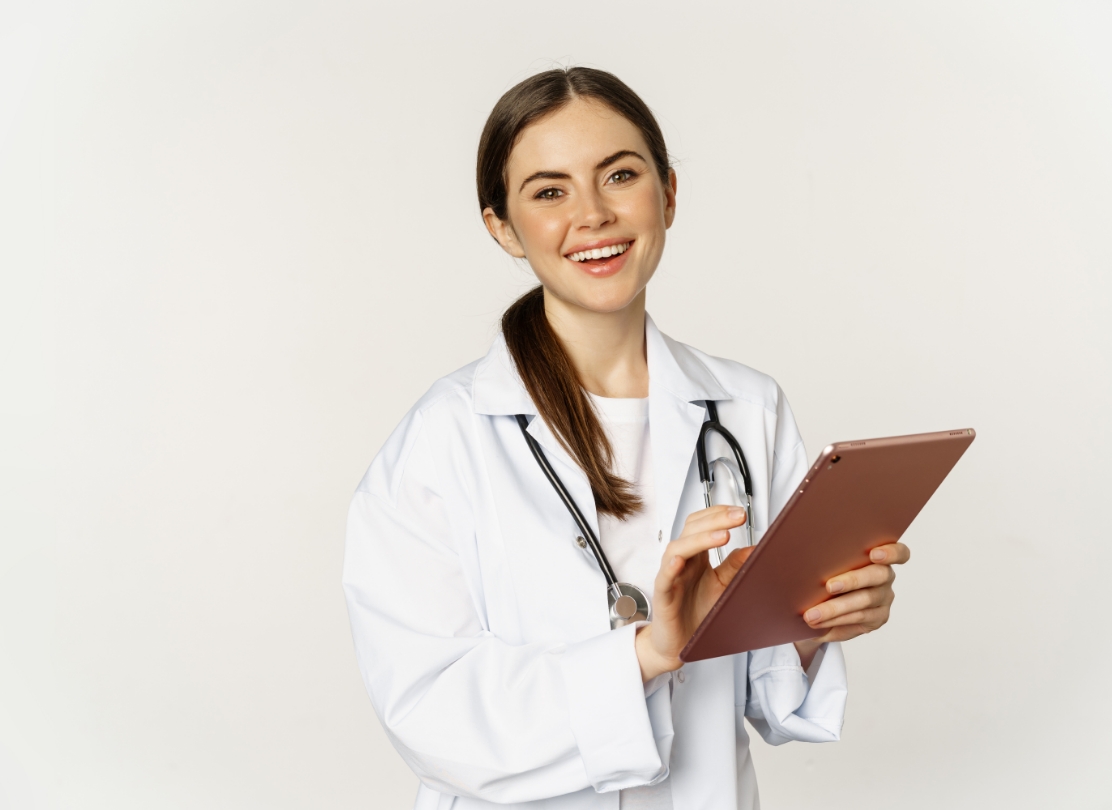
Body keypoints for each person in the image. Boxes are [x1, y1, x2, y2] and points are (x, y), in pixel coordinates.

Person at [341, 67, 909, 810]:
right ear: (502, 227)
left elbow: (768, 696)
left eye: (619, 175)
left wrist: (814, 625)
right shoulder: (444, 437)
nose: (593, 215)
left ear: (668, 193)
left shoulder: (747, 410)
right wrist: (648, 653)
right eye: (549, 192)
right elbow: (431, 716)